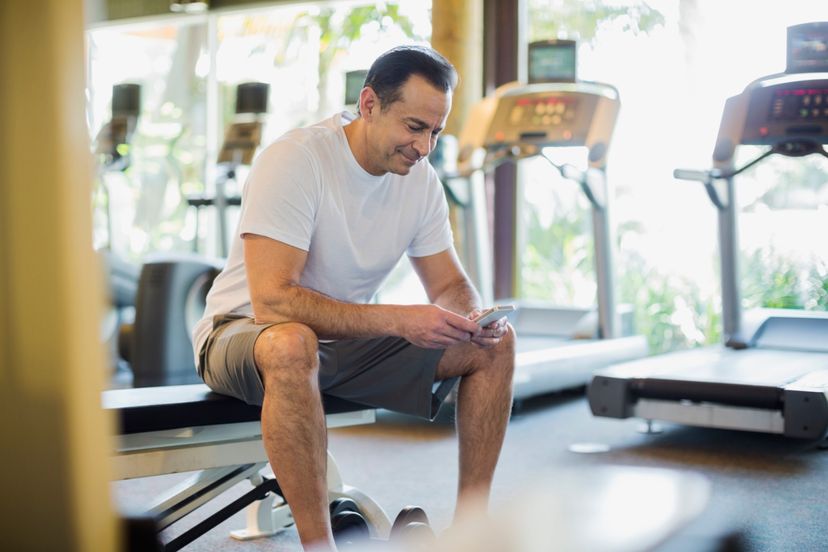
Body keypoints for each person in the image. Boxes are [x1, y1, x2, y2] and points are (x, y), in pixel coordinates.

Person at [192, 45, 515, 551]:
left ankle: (471, 532)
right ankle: (319, 546)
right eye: (414, 127)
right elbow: (272, 302)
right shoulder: (297, 159)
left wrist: (474, 318)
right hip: (242, 333)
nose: (425, 146)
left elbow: (449, 286)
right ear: (369, 104)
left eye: (435, 131)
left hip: (336, 344)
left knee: (495, 345)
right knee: (291, 342)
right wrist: (399, 320)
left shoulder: (420, 183)